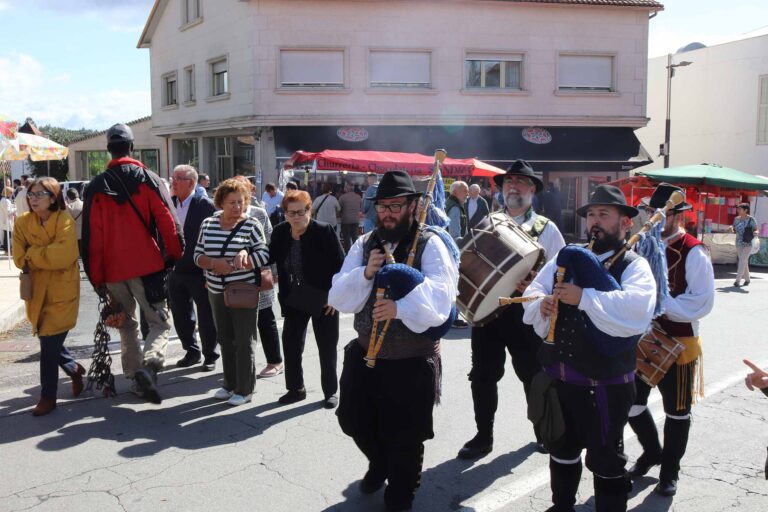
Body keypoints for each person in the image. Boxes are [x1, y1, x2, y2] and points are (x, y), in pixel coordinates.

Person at [329, 170, 459, 512]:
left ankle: (400, 498)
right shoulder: (364, 242)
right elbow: (339, 296)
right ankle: (379, 463)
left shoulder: (432, 244)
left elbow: (441, 303)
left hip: (411, 358)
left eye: (395, 205)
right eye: (383, 205)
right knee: (353, 420)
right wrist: (366, 273)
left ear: (413, 206)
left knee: (405, 437)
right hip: (365, 352)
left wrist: (399, 308)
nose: (387, 213)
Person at [522, 184, 657, 512]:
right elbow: (534, 290)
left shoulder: (634, 266)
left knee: (607, 461)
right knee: (562, 452)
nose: (595, 221)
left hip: (607, 388)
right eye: (591, 215)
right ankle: (562, 506)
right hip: (561, 381)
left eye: (604, 215)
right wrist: (541, 306)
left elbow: (638, 310)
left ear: (625, 222)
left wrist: (585, 297)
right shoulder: (565, 256)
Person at [458, 160, 566, 459]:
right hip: (488, 312)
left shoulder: (547, 228)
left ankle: (543, 432)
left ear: (532, 190)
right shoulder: (490, 222)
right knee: (482, 376)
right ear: (502, 189)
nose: (513, 187)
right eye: (508, 183)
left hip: (525, 315)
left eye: (520, 182)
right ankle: (483, 436)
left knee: (532, 375)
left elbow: (563, 272)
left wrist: (536, 281)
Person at [82, 123, 183, 405]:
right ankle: (150, 365)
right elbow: (168, 222)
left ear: (109, 150)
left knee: (127, 327)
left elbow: (92, 240)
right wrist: (173, 255)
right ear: (132, 147)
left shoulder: (97, 186)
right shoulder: (148, 178)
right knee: (160, 324)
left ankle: (135, 378)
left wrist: (97, 279)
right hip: (147, 265)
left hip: (113, 271)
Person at [627, 184, 715, 497]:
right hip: (645, 338)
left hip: (679, 346)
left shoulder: (694, 250)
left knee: (677, 412)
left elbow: (701, 304)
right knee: (631, 404)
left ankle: (669, 471)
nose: (652, 218)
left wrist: (657, 302)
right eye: (650, 211)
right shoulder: (640, 247)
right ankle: (652, 452)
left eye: (659, 213)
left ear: (676, 216)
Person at [194, 178, 270, 406]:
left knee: (244, 339)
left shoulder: (251, 225)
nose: (237, 207)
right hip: (216, 290)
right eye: (232, 202)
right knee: (225, 339)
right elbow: (197, 254)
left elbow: (265, 255)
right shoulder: (207, 224)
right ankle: (229, 384)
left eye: (241, 202)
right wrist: (213, 263)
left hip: (242, 291)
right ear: (220, 202)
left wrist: (244, 260)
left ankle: (245, 389)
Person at [12, 178, 83, 416]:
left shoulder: (64, 220)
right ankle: (74, 369)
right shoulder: (22, 222)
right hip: (36, 290)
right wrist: (42, 255)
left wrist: (34, 253)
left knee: (49, 343)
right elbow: (19, 258)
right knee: (47, 339)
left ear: (53, 197)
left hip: (62, 290)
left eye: (40, 194)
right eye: (31, 195)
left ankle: (47, 397)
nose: (33, 199)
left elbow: (63, 255)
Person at [269, 190, 344, 408]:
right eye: (290, 213)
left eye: (300, 212)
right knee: (291, 344)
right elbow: (269, 255)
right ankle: (295, 389)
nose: (295, 217)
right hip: (294, 297)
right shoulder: (281, 232)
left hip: (324, 299)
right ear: (285, 213)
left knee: (327, 346)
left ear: (309, 210)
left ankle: (330, 391)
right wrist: (246, 252)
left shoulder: (323, 231)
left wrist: (334, 297)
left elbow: (341, 265)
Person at [169, 165, 220, 372]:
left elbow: (215, 236)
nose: (173, 181)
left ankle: (210, 354)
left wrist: (212, 269)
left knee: (206, 314)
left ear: (191, 183)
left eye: (178, 178)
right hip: (175, 269)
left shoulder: (205, 205)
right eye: (172, 177)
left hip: (200, 270)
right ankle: (191, 350)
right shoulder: (169, 203)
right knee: (180, 314)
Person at [235, 176, 284, 378]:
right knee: (238, 322)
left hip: (258, 273)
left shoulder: (259, 214)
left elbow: (270, 244)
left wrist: (275, 272)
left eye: (242, 193)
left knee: (265, 318)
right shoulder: (221, 215)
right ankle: (244, 362)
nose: (238, 200)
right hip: (233, 278)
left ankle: (275, 361)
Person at [731, 203, 758, 287]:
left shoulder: (751, 219)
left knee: (742, 261)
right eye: (738, 209)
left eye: (740, 209)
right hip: (738, 242)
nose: (738, 210)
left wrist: (756, 232)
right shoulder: (736, 219)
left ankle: (737, 280)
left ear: (746, 210)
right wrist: (731, 229)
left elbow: (756, 229)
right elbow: (734, 229)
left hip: (748, 243)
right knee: (744, 262)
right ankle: (747, 279)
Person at [339, 182, 362, 252]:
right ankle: (356, 253)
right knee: (355, 238)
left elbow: (339, 209)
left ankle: (348, 253)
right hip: (356, 220)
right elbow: (360, 208)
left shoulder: (342, 197)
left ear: (346, 189)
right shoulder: (359, 197)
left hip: (346, 220)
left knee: (346, 239)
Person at [65, 188, 84, 256]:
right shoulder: (85, 204)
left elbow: (66, 222)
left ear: (68, 197)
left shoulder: (69, 207)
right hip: (85, 235)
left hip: (74, 236)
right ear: (78, 195)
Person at [0, 186, 15, 252]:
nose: (12, 194)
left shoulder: (4, 200)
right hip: (6, 221)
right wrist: (16, 208)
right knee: (8, 236)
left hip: (5, 221)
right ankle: (7, 250)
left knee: (7, 236)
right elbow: (8, 212)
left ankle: (7, 250)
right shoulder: (6, 201)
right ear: (7, 193)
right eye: (11, 192)